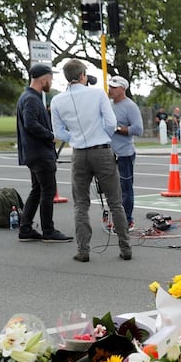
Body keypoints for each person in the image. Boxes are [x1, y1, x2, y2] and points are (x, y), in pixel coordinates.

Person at [50, 59, 131, 262]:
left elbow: (58, 132)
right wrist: (101, 136)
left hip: (79, 153)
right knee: (115, 202)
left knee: (81, 204)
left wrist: (76, 138)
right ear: (83, 75)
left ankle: (83, 250)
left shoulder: (57, 101)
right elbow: (111, 122)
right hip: (101, 151)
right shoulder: (97, 93)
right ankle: (125, 247)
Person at [15, 63, 73, 243]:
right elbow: (30, 123)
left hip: (33, 153)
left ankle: (25, 228)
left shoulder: (26, 97)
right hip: (40, 153)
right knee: (48, 191)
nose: (51, 81)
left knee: (37, 190)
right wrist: (51, 136)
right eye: (50, 78)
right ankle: (48, 230)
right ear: (43, 79)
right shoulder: (32, 99)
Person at [108, 76, 144, 231]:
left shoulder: (130, 106)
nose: (111, 89)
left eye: (114, 87)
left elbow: (138, 129)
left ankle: (127, 220)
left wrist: (117, 128)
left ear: (123, 89)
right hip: (108, 153)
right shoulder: (108, 104)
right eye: (110, 86)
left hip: (125, 154)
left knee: (125, 189)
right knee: (112, 189)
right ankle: (116, 218)